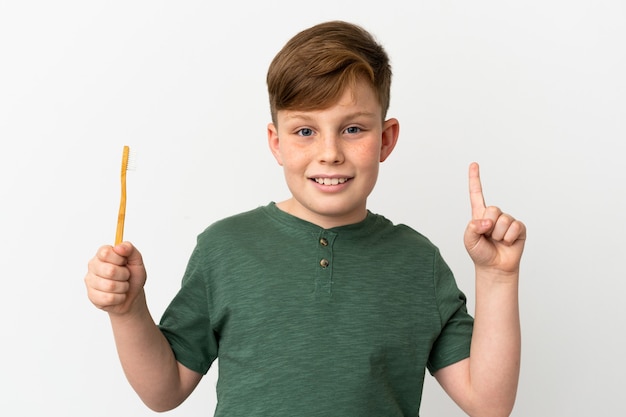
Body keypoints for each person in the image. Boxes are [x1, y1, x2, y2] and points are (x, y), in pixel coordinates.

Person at [85, 20, 526, 416]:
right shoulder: (224, 248)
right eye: (305, 131)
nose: (329, 153)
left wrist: (498, 279)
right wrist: (127, 311)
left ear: (386, 140)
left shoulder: (418, 262)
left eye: (352, 129)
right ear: (276, 143)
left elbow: (489, 404)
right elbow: (163, 393)